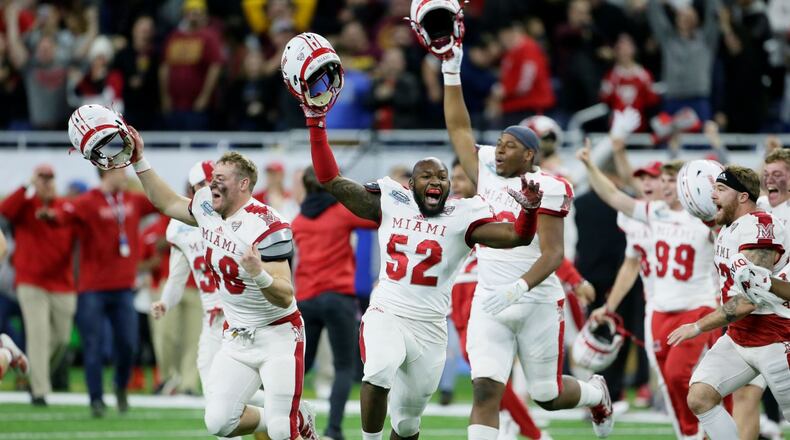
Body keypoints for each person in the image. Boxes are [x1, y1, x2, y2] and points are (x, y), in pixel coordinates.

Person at [304, 95, 543, 440]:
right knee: (378, 372)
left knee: (406, 423)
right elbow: (331, 179)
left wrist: (530, 211)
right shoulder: (390, 201)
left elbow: (516, 237)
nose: (436, 180)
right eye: (426, 175)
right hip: (388, 310)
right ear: (411, 184)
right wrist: (316, 123)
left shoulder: (464, 215)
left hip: (430, 326)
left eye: (442, 176)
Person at [440, 42, 613, 439]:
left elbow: (553, 254)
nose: (499, 150)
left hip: (535, 299)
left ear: (530, 156)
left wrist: (519, 288)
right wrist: (452, 69)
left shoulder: (550, 186)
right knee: (485, 389)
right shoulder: (486, 172)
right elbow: (458, 127)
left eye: (510, 146)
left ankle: (594, 394)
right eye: (498, 143)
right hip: (488, 298)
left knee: (546, 394)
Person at [126, 128, 318, 440]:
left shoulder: (266, 223)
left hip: (278, 334)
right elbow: (167, 202)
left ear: (243, 184)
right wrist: (139, 160)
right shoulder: (206, 209)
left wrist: (258, 273)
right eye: (212, 176)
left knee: (283, 431)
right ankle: (299, 417)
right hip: (236, 336)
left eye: (221, 178)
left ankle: (292, 422)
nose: (212, 182)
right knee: (219, 422)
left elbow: (285, 296)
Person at [579, 145, 723, 438]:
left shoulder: (705, 217)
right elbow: (614, 197)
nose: (664, 186)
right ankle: (690, 434)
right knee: (669, 382)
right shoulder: (652, 213)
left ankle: (706, 430)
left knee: (683, 375)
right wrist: (590, 166)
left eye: (670, 180)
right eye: (664, 180)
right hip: (658, 307)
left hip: (698, 306)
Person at [667, 165, 790, 439]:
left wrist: (698, 326)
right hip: (739, 338)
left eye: (720, 189)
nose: (713, 196)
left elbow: (749, 300)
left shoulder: (760, 226)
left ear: (743, 197)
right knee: (700, 396)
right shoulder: (731, 226)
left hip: (776, 339)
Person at [42, 168, 158, 417]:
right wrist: (50, 215)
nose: (125, 176)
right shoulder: (87, 201)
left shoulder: (132, 199)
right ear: (106, 173)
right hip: (92, 288)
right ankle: (96, 399)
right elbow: (63, 216)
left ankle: (120, 386)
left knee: (128, 344)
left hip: (124, 287)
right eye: (120, 171)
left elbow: (161, 201)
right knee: (92, 346)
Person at [448, 160, 546, 440]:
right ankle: (508, 423)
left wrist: (574, 279)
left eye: (461, 177)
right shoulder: (451, 208)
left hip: (488, 288)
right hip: (458, 292)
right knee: (490, 371)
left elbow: (539, 246)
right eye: (452, 177)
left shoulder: (489, 204)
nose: (456, 183)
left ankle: (533, 432)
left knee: (487, 375)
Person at [291, 166, 378, 440]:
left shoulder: (298, 221)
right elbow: (376, 217)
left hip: (306, 299)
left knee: (300, 368)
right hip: (339, 297)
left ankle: (285, 421)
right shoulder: (341, 212)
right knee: (344, 367)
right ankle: (334, 430)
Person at [0, 164, 76, 406]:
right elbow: (4, 210)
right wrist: (27, 185)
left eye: (50, 178)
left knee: (62, 338)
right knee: (38, 335)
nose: (46, 182)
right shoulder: (26, 205)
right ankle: (40, 391)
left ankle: (31, 372)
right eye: (42, 178)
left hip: (63, 282)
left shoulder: (65, 207)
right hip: (31, 281)